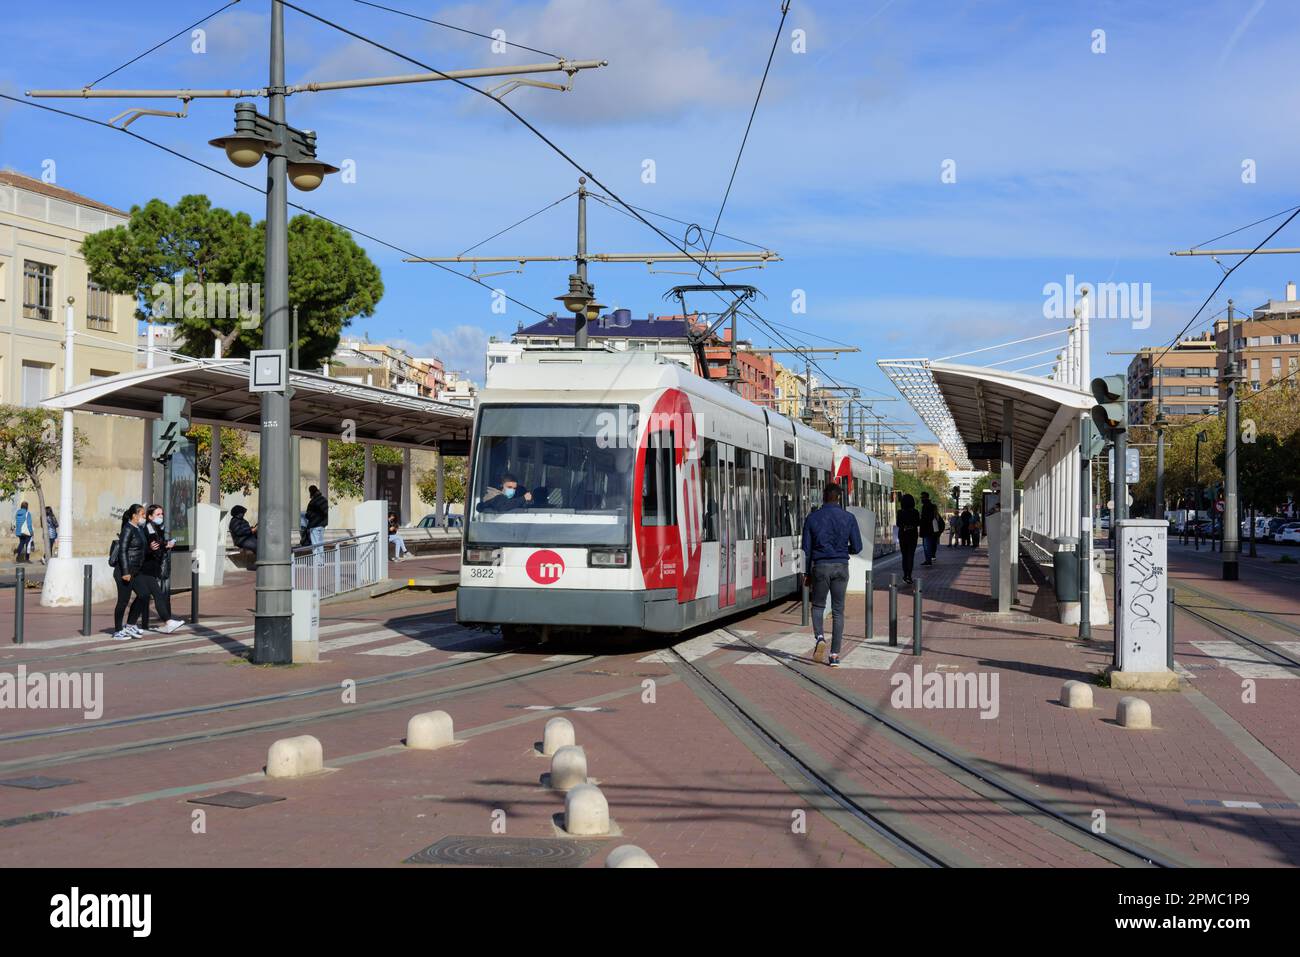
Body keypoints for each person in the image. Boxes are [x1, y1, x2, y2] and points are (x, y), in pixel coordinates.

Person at [800, 483, 863, 668]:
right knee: (838, 611)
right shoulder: (849, 518)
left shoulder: (812, 518)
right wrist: (844, 550)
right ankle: (835, 655)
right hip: (841, 566)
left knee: (818, 606)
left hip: (820, 566)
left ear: (823, 496)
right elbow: (858, 547)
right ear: (839, 498)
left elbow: (806, 549)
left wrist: (806, 573)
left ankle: (819, 637)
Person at [135, 504, 184, 634]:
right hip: (145, 568)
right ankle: (168, 621)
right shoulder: (148, 527)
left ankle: (130, 624)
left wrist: (166, 544)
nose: (161, 516)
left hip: (152, 567)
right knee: (157, 594)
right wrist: (165, 545)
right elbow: (153, 545)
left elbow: (157, 544)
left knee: (142, 597)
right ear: (150, 516)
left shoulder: (157, 527)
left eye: (162, 514)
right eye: (158, 514)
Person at [111, 505, 149, 640]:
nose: (144, 517)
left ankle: (130, 624)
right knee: (123, 601)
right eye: (142, 514)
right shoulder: (128, 528)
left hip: (136, 571)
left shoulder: (138, 529)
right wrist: (125, 572)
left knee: (144, 595)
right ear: (134, 515)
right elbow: (123, 551)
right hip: (124, 571)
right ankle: (117, 630)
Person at [896, 493, 921, 585]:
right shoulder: (915, 512)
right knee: (911, 555)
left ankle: (905, 574)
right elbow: (918, 523)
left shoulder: (900, 512)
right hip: (912, 535)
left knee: (904, 556)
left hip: (903, 534)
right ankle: (909, 576)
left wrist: (905, 526)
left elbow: (898, 524)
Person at [920, 492, 943, 566]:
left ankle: (928, 560)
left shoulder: (925, 506)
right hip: (933, 530)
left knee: (926, 546)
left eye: (922, 497)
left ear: (925, 498)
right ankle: (931, 557)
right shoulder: (933, 506)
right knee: (932, 544)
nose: (921, 499)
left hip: (926, 530)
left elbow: (924, 519)